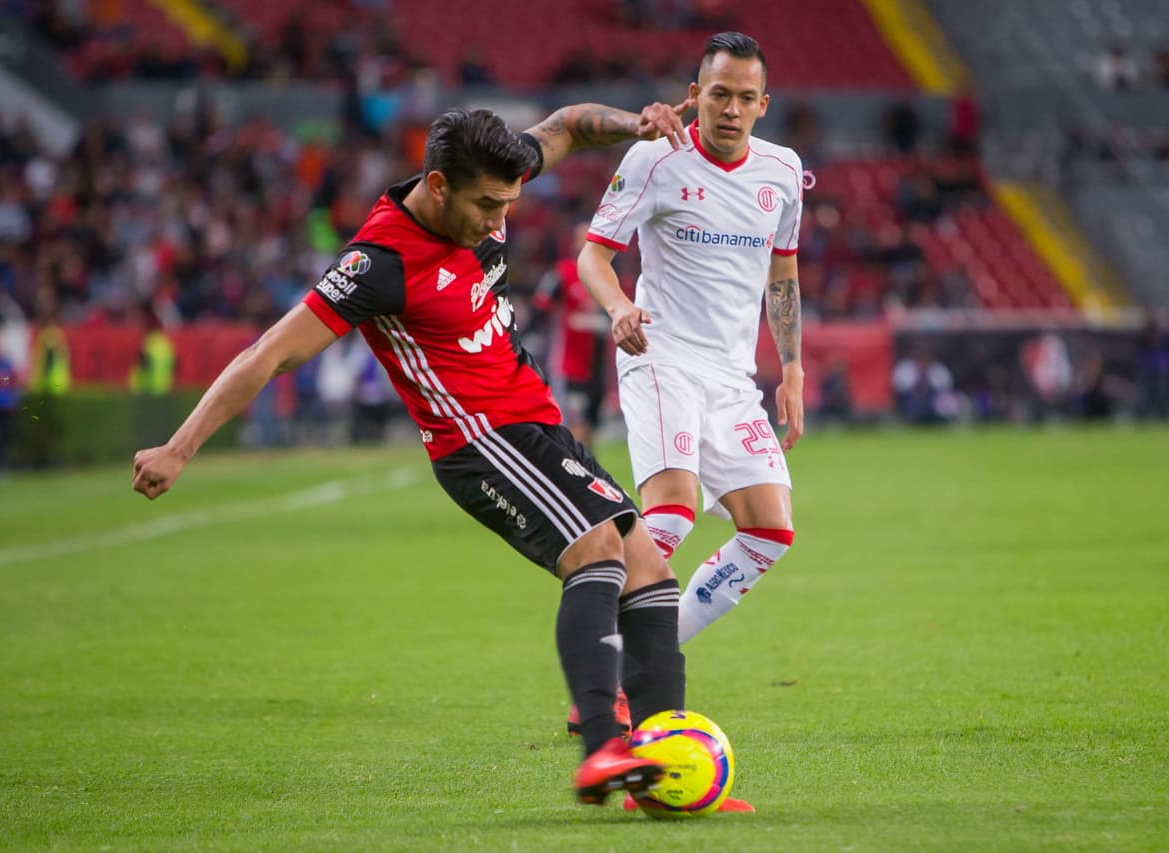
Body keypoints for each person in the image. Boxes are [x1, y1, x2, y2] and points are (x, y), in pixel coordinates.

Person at [131, 101, 729, 809]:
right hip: (478, 442)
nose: (499, 222)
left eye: (509, 203)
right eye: (486, 206)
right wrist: (179, 445)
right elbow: (270, 353)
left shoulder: (493, 172)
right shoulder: (378, 263)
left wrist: (635, 124)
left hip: (535, 422)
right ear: (439, 185)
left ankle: (664, 777)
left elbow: (566, 126)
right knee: (594, 549)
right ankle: (603, 745)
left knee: (650, 571)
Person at [578, 32, 804, 650]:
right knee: (671, 514)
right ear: (695, 95)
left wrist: (792, 369)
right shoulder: (655, 159)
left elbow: (781, 275)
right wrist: (621, 305)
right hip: (659, 357)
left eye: (745, 98)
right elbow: (593, 257)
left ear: (764, 104)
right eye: (720, 93)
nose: (731, 109)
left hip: (732, 378)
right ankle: (607, 667)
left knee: (770, 531)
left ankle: (629, 653)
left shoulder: (782, 173)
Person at [524, 223, 612, 446]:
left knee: (590, 428)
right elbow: (539, 308)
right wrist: (526, 339)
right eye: (584, 238)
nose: (589, 243)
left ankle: (588, 474)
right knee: (575, 425)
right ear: (574, 242)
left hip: (596, 368)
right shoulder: (562, 273)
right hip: (569, 366)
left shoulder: (606, 275)